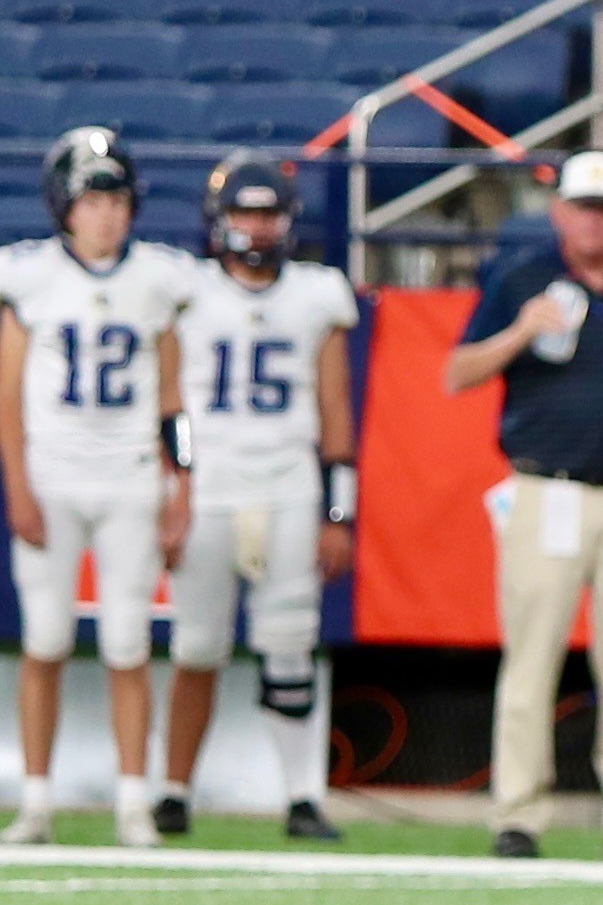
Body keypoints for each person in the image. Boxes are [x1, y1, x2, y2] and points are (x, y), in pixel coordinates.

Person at [446, 150, 603, 862]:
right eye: (583, 207)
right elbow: (456, 373)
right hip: (546, 489)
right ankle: (519, 813)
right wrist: (520, 331)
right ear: (559, 212)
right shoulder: (519, 281)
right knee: (531, 655)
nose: (594, 221)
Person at [0, 128, 195, 848]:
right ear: (64, 205)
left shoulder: (158, 280)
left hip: (130, 477)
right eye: (92, 198)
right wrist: (17, 483)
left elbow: (176, 400)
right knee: (45, 638)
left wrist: (185, 486)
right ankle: (37, 801)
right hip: (53, 473)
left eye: (116, 197)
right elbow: (8, 396)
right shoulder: (29, 277)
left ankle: (133, 802)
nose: (107, 213)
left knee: (127, 641)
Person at [155, 152, 359, 843]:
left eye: (269, 212)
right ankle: (173, 790)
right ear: (220, 219)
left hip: (288, 489)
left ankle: (302, 796)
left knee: (290, 645)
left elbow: (336, 409)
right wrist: (174, 486)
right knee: (197, 647)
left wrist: (339, 510)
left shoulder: (315, 294)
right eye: (246, 212)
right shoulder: (187, 291)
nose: (259, 226)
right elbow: (172, 401)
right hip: (210, 488)